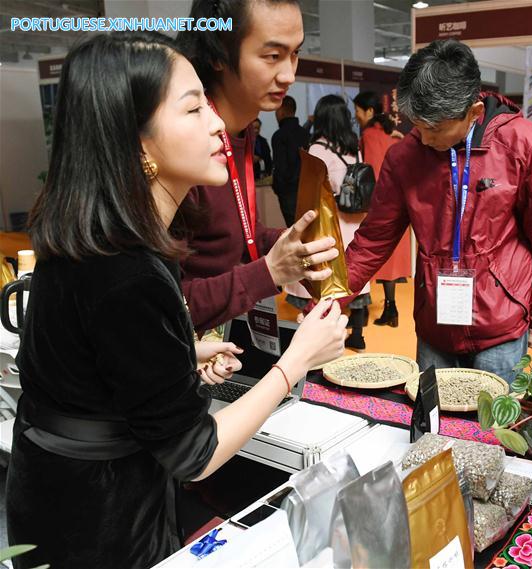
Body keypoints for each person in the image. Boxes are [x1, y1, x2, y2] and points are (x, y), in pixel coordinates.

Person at [5, 33, 348, 569]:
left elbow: (93, 357)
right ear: (137, 140)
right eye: (193, 109)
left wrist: (179, 355)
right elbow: (195, 454)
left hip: (55, 493)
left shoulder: (93, 233)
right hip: (99, 522)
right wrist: (296, 359)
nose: (216, 124)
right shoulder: (126, 268)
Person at [343, 39, 532, 383]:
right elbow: (373, 239)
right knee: (432, 426)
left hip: (502, 320)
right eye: (419, 126)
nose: (424, 138)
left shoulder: (524, 143)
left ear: (474, 112)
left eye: (435, 128)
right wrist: (332, 297)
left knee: (491, 431)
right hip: (435, 320)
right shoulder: (405, 156)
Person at [176, 0, 338, 333]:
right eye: (272, 56)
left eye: (294, 54)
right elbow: (162, 305)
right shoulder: (183, 147)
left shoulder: (243, 130)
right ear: (219, 53)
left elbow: (237, 235)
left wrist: (296, 244)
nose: (289, 75)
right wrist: (270, 271)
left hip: (225, 338)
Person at [306, 94, 371, 351]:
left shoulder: (317, 149)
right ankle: (358, 334)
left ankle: (329, 337)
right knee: (357, 276)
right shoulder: (353, 146)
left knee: (331, 280)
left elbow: (312, 191)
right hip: (355, 220)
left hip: (331, 221)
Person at [353, 90, 409, 327]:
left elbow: (369, 171)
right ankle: (391, 308)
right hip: (400, 203)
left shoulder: (368, 135)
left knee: (368, 256)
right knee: (393, 261)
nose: (356, 116)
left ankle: (362, 313)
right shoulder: (392, 134)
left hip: (379, 204)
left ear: (369, 111)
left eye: (358, 111)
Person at [272, 94, 310, 226]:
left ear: (281, 111)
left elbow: (280, 167)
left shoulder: (279, 136)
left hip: (288, 192)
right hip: (307, 191)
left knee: (293, 229)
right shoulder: (306, 134)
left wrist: (278, 188)